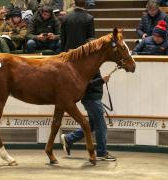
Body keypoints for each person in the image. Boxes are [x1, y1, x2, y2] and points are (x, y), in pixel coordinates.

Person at [60, 0, 116, 161]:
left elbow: (63, 42)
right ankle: (102, 152)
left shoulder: (66, 18)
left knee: (92, 122)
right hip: (83, 61)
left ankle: (69, 138)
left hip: (69, 61)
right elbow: (90, 40)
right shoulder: (89, 18)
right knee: (99, 122)